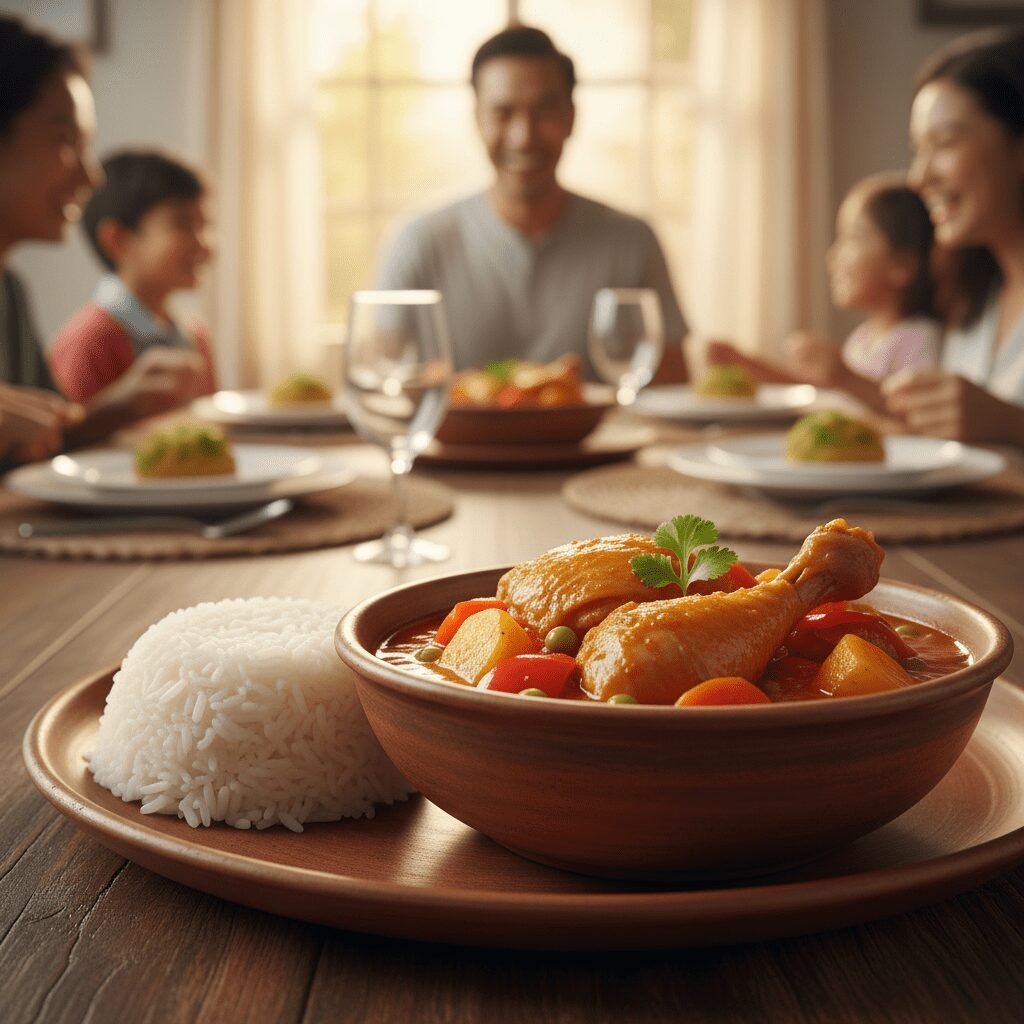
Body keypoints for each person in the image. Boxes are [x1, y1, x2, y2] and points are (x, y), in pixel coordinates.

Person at [373, 24, 689, 380]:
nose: (523, 137)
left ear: (571, 118)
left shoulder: (632, 242)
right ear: (477, 120)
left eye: (544, 112)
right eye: (503, 113)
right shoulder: (419, 245)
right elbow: (387, 388)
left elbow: (670, 393)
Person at [0, 15, 204, 469]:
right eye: (67, 140)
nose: (91, 177)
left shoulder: (8, 292)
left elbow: (43, 443)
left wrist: (119, 407)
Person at [881, 29, 1024, 445]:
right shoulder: (973, 299)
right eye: (916, 150)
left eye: (943, 143)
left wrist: (1013, 426)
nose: (918, 178)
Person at [707, 173, 941, 413]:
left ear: (902, 265)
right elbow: (829, 400)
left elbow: (918, 417)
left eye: (853, 238)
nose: (833, 257)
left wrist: (844, 376)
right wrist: (747, 366)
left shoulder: (920, 338)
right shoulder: (863, 339)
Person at [51, 149, 216, 405]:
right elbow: (67, 437)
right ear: (117, 239)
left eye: (205, 225)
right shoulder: (89, 342)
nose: (203, 243)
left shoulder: (195, 336)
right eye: (181, 223)